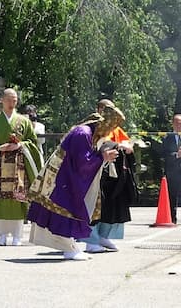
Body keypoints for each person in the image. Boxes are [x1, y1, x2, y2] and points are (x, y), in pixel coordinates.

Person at [27, 104, 123, 260]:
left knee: (68, 211)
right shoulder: (83, 133)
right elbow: (82, 162)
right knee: (66, 211)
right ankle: (69, 249)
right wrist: (103, 157)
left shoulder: (89, 133)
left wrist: (101, 157)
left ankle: (70, 246)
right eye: (110, 128)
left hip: (67, 177)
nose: (109, 132)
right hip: (63, 179)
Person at [0, 88, 43, 246]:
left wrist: (20, 145)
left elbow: (32, 142)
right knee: (0, 198)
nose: (12, 103)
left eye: (14, 100)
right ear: (2, 100)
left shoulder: (24, 121)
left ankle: (17, 235)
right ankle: (1, 236)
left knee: (17, 198)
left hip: (18, 166)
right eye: (9, 100)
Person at [80, 99, 138, 253]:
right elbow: (97, 144)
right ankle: (90, 240)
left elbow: (126, 143)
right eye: (106, 109)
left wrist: (127, 147)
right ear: (99, 109)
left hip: (113, 172)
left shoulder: (116, 129)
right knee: (94, 204)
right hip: (96, 171)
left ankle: (103, 236)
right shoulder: (91, 126)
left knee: (113, 204)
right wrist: (117, 146)